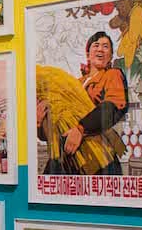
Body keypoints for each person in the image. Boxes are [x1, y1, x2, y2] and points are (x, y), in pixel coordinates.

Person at [36, 31, 129, 175]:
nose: (100, 49)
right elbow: (52, 131)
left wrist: (80, 129)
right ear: (88, 54)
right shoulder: (74, 84)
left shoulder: (112, 75)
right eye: (96, 45)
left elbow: (113, 107)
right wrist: (40, 121)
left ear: (111, 56)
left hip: (97, 159)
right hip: (66, 157)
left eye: (105, 47)